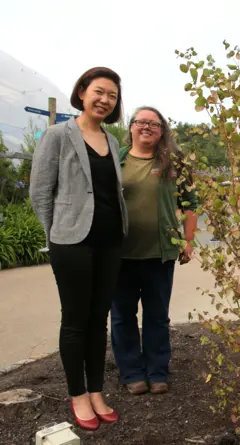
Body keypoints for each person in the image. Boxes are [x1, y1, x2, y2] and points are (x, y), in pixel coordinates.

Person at [29, 67, 127, 430]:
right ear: (83, 92)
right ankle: (78, 394)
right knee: (75, 321)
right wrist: (56, 235)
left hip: (110, 242)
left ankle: (97, 390)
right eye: (99, 92)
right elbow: (40, 192)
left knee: (98, 320)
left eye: (112, 96)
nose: (105, 100)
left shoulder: (113, 141)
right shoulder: (57, 135)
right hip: (71, 243)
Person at [110, 106, 198, 395]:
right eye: (141, 122)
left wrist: (188, 241)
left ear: (162, 131)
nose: (146, 127)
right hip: (119, 254)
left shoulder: (174, 163)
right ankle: (132, 373)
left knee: (157, 316)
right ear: (131, 127)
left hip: (159, 254)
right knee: (122, 316)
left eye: (154, 124)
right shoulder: (115, 160)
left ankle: (157, 370)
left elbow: (191, 204)